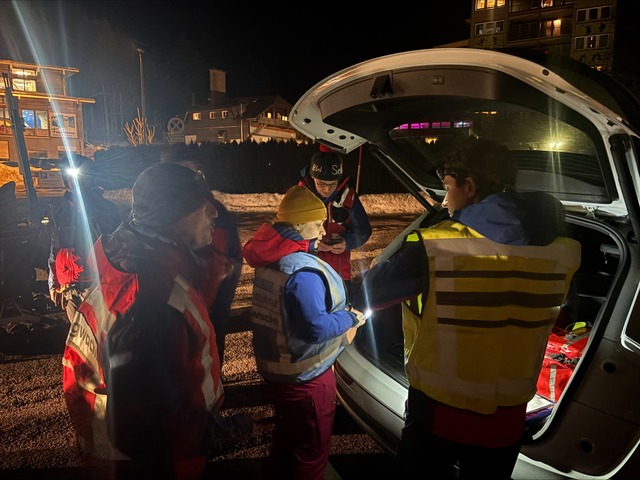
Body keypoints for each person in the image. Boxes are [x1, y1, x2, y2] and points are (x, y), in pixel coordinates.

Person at [352, 137, 582, 479]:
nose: (444, 201)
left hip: (439, 413)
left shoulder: (441, 244)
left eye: (447, 187)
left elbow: (368, 294)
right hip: (509, 418)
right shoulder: (562, 251)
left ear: (470, 187)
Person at [62, 162, 254, 480]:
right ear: (172, 217)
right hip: (149, 464)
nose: (214, 213)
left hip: (131, 452)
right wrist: (220, 431)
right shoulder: (149, 300)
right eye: (200, 205)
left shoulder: (140, 263)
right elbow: (141, 428)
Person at [243, 185, 368, 480]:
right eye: (316, 223)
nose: (323, 230)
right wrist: (351, 319)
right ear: (299, 225)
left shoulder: (272, 259)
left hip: (277, 373)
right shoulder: (302, 271)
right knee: (311, 453)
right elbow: (316, 328)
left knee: (288, 438)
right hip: (306, 380)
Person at [160, 145, 242, 364]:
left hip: (210, 313)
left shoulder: (217, 212)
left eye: (191, 172)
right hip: (171, 316)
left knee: (210, 371)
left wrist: (219, 309)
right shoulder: (156, 214)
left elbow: (234, 258)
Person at [48, 155, 122, 321]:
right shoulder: (59, 210)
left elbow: (117, 244)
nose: (76, 182)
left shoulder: (106, 209)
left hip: (98, 284)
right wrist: (53, 282)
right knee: (79, 337)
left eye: (81, 178)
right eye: (71, 178)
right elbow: (55, 248)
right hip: (69, 287)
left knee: (101, 334)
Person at [299, 145, 372, 295]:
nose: (327, 190)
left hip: (339, 276)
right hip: (306, 274)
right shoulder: (299, 197)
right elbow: (286, 236)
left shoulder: (349, 198)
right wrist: (312, 244)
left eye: (332, 184)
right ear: (313, 177)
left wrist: (348, 242)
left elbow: (364, 230)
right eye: (321, 184)